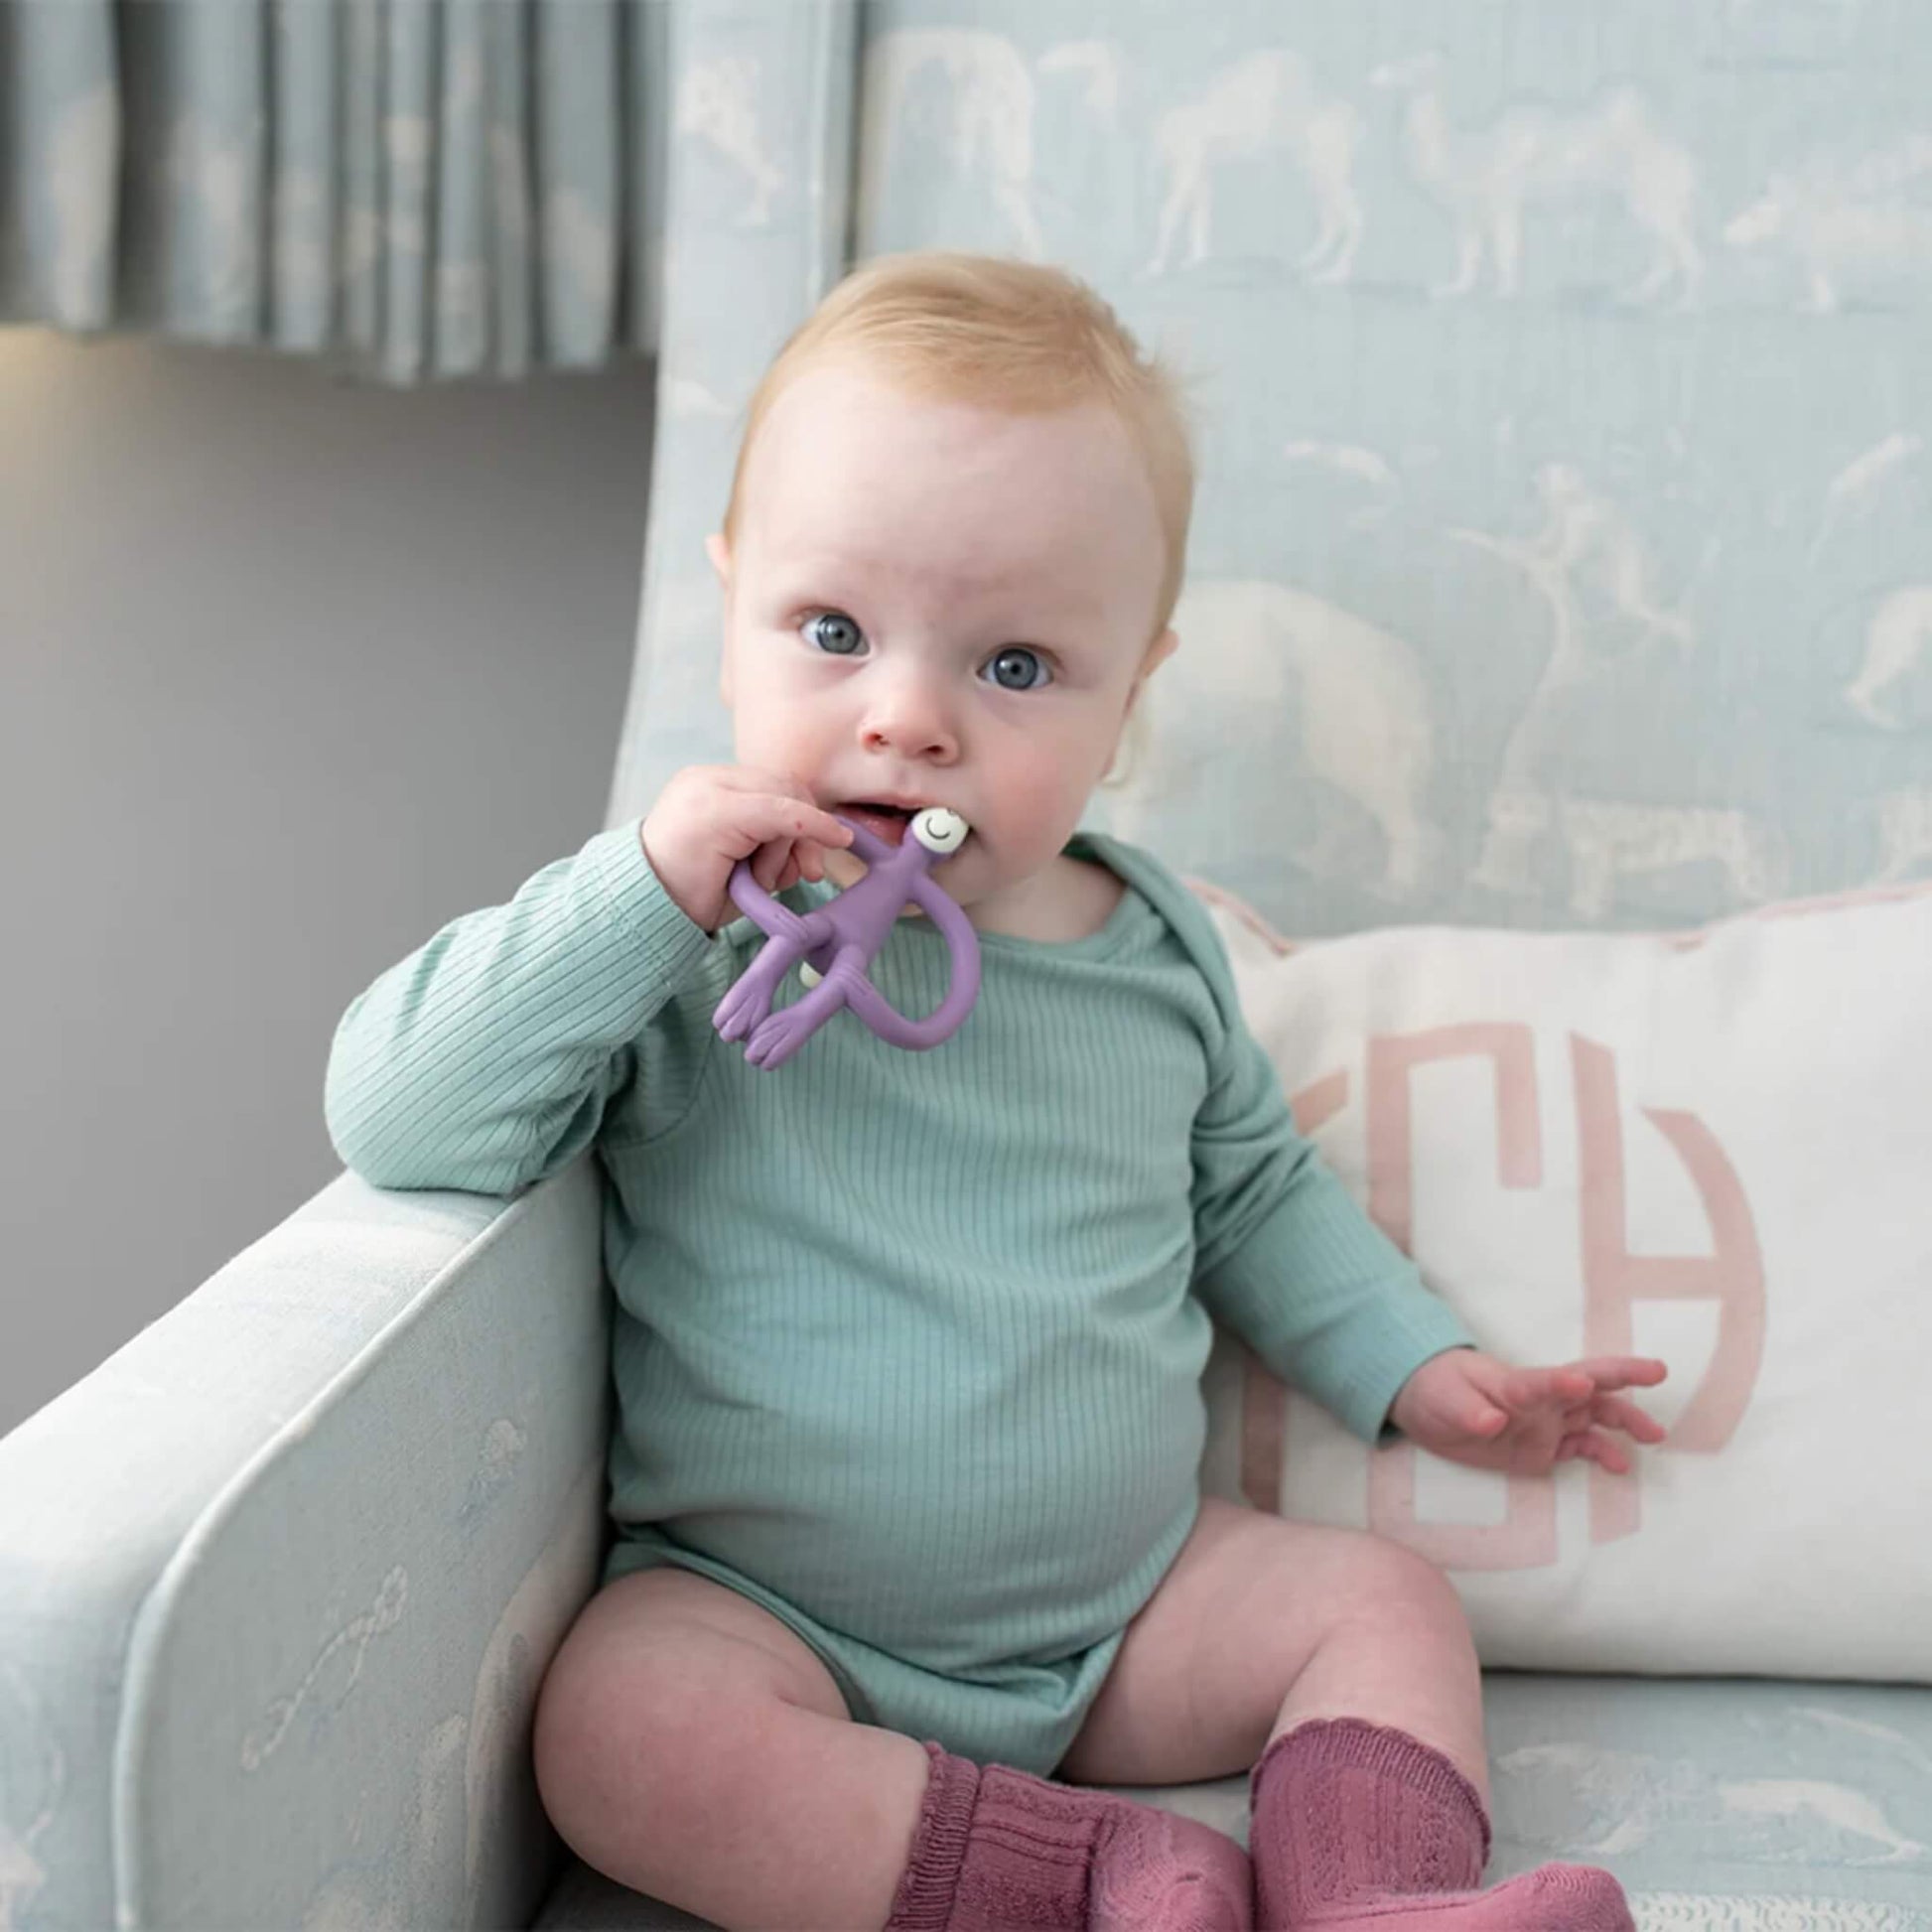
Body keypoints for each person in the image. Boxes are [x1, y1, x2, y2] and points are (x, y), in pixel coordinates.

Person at [325, 251, 1668, 1932]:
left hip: (1132, 1608)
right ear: (727, 609)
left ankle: (1372, 1900)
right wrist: (639, 887)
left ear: (1129, 694)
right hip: (769, 1613)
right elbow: (399, 1113)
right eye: (831, 633)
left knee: (1382, 1602)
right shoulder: (677, 945)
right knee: (619, 1733)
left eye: (1015, 666)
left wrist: (1416, 1365)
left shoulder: (1151, 946)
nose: (908, 720)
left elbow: (1251, 1188)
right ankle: (1107, 1878)